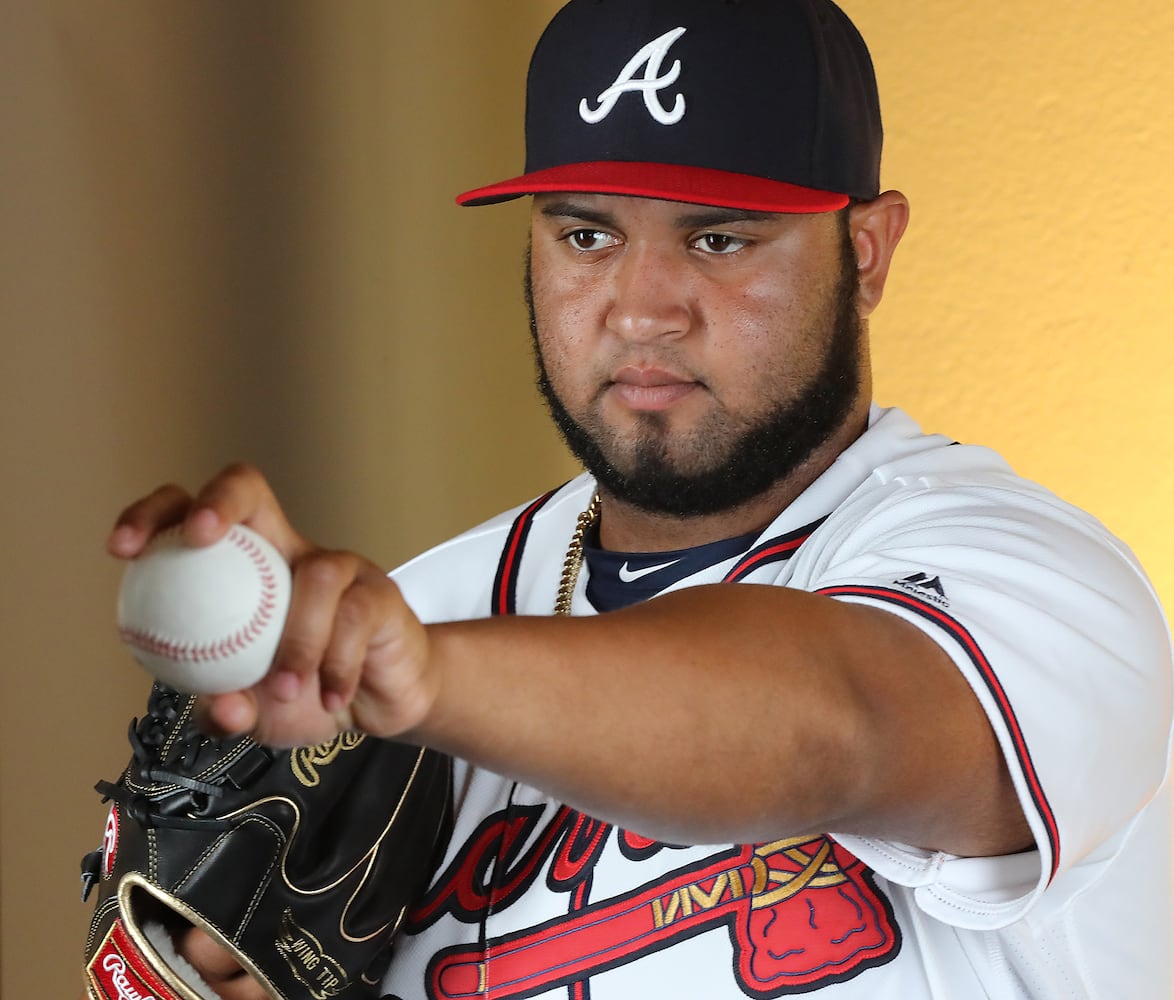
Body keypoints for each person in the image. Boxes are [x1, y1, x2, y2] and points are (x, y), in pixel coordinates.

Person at [99, 0, 1173, 997]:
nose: (641, 308)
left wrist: (428, 674)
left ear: (867, 250)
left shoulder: (1033, 585)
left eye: (718, 238)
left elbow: (831, 727)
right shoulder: (418, 615)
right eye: (586, 235)